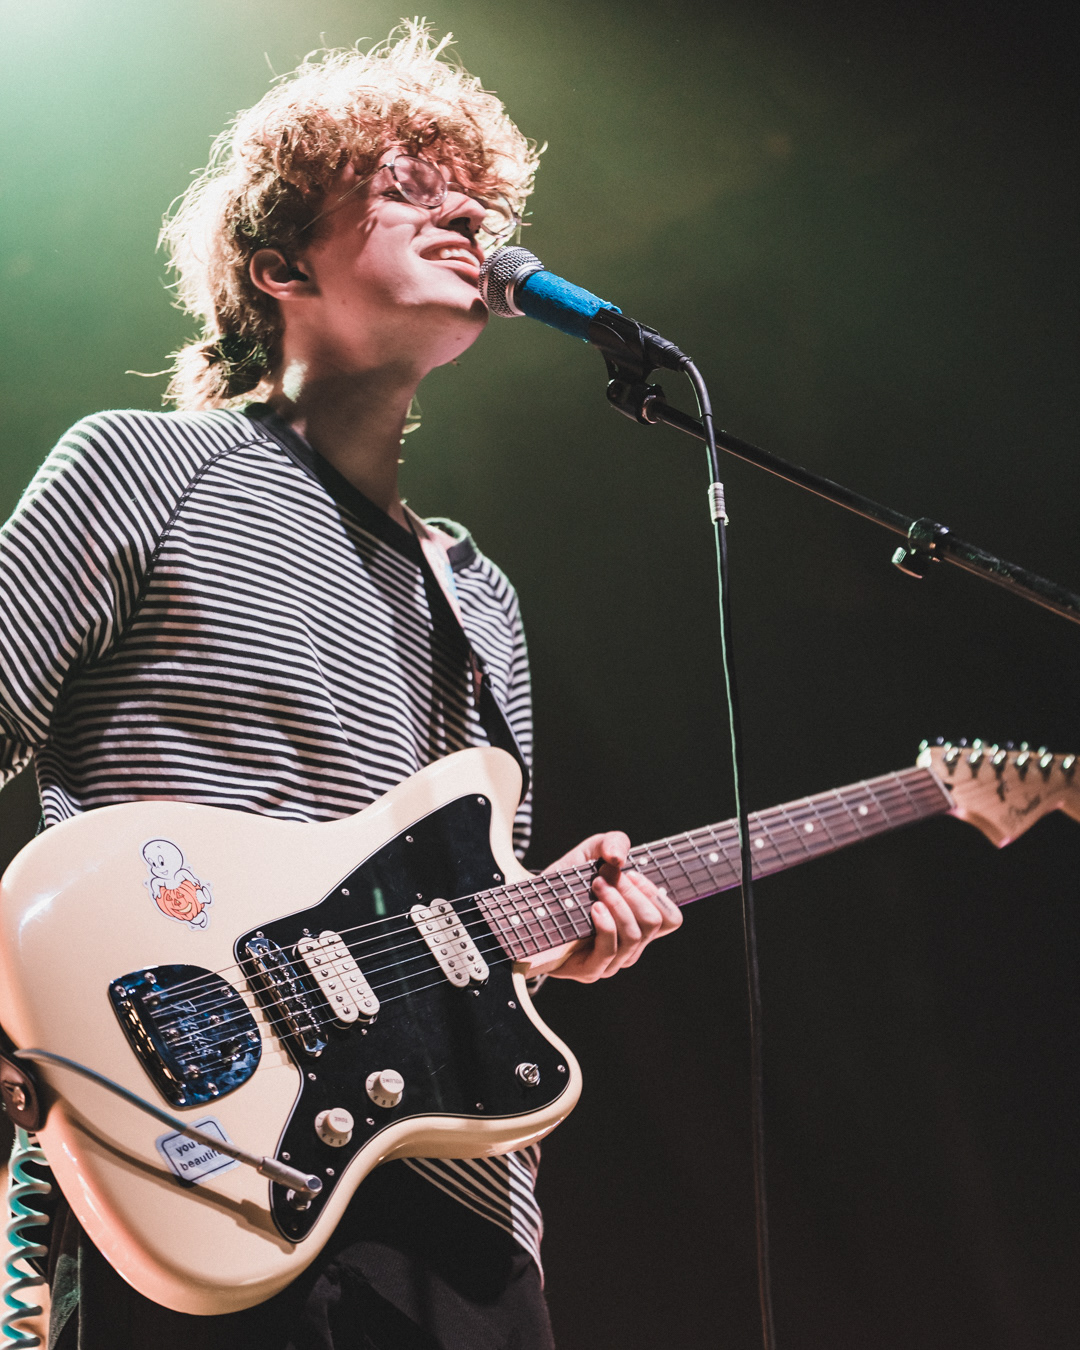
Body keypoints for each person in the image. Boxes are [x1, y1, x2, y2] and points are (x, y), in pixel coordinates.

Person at [0, 23, 682, 1350]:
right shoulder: (149, 470)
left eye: (472, 189)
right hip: (178, 1153)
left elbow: (453, 919)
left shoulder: (481, 594)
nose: (464, 209)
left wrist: (557, 936)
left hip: (458, 1200)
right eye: (407, 183)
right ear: (279, 264)